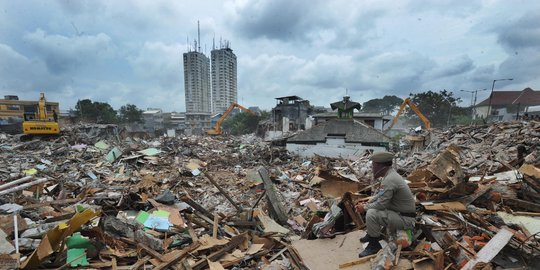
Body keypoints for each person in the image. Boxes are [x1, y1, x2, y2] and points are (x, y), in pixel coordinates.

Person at [355, 151, 416, 257]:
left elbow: (381, 205)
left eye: (373, 166)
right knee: (372, 209)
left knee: (371, 213)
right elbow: (380, 195)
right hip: (400, 214)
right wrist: (369, 201)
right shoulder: (390, 175)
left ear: (380, 166)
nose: (372, 169)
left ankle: (374, 245)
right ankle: (371, 235)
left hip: (405, 219)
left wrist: (364, 207)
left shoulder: (390, 179)